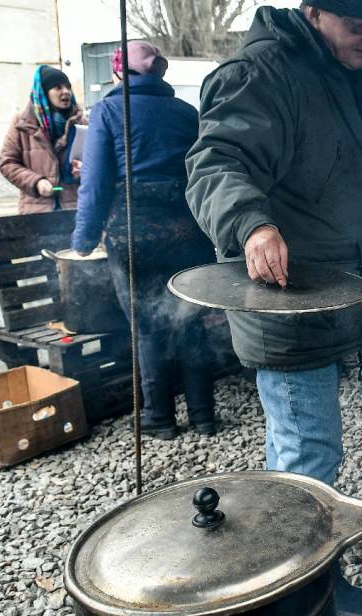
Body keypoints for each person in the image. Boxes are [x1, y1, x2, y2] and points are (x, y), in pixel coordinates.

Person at [186, 0, 362, 485]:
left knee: (295, 449)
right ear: (313, 12)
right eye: (357, 26)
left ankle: (292, 564)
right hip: (287, 299)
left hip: (329, 293)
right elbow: (215, 161)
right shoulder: (265, 74)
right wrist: (252, 225)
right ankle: (308, 574)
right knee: (309, 456)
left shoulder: (347, 73)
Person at [72, 41, 217, 439]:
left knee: (149, 325)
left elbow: (95, 183)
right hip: (188, 231)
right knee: (190, 322)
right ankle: (204, 416)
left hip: (137, 234)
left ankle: (160, 419)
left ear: (120, 72)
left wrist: (84, 239)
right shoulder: (187, 113)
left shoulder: (109, 111)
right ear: (161, 73)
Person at [0, 65, 82, 213]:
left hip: (75, 209)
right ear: (43, 92)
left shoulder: (82, 122)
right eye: (57, 88)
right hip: (36, 212)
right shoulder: (22, 123)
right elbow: (7, 163)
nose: (65, 92)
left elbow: (100, 160)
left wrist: (85, 169)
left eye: (68, 87)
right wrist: (36, 182)